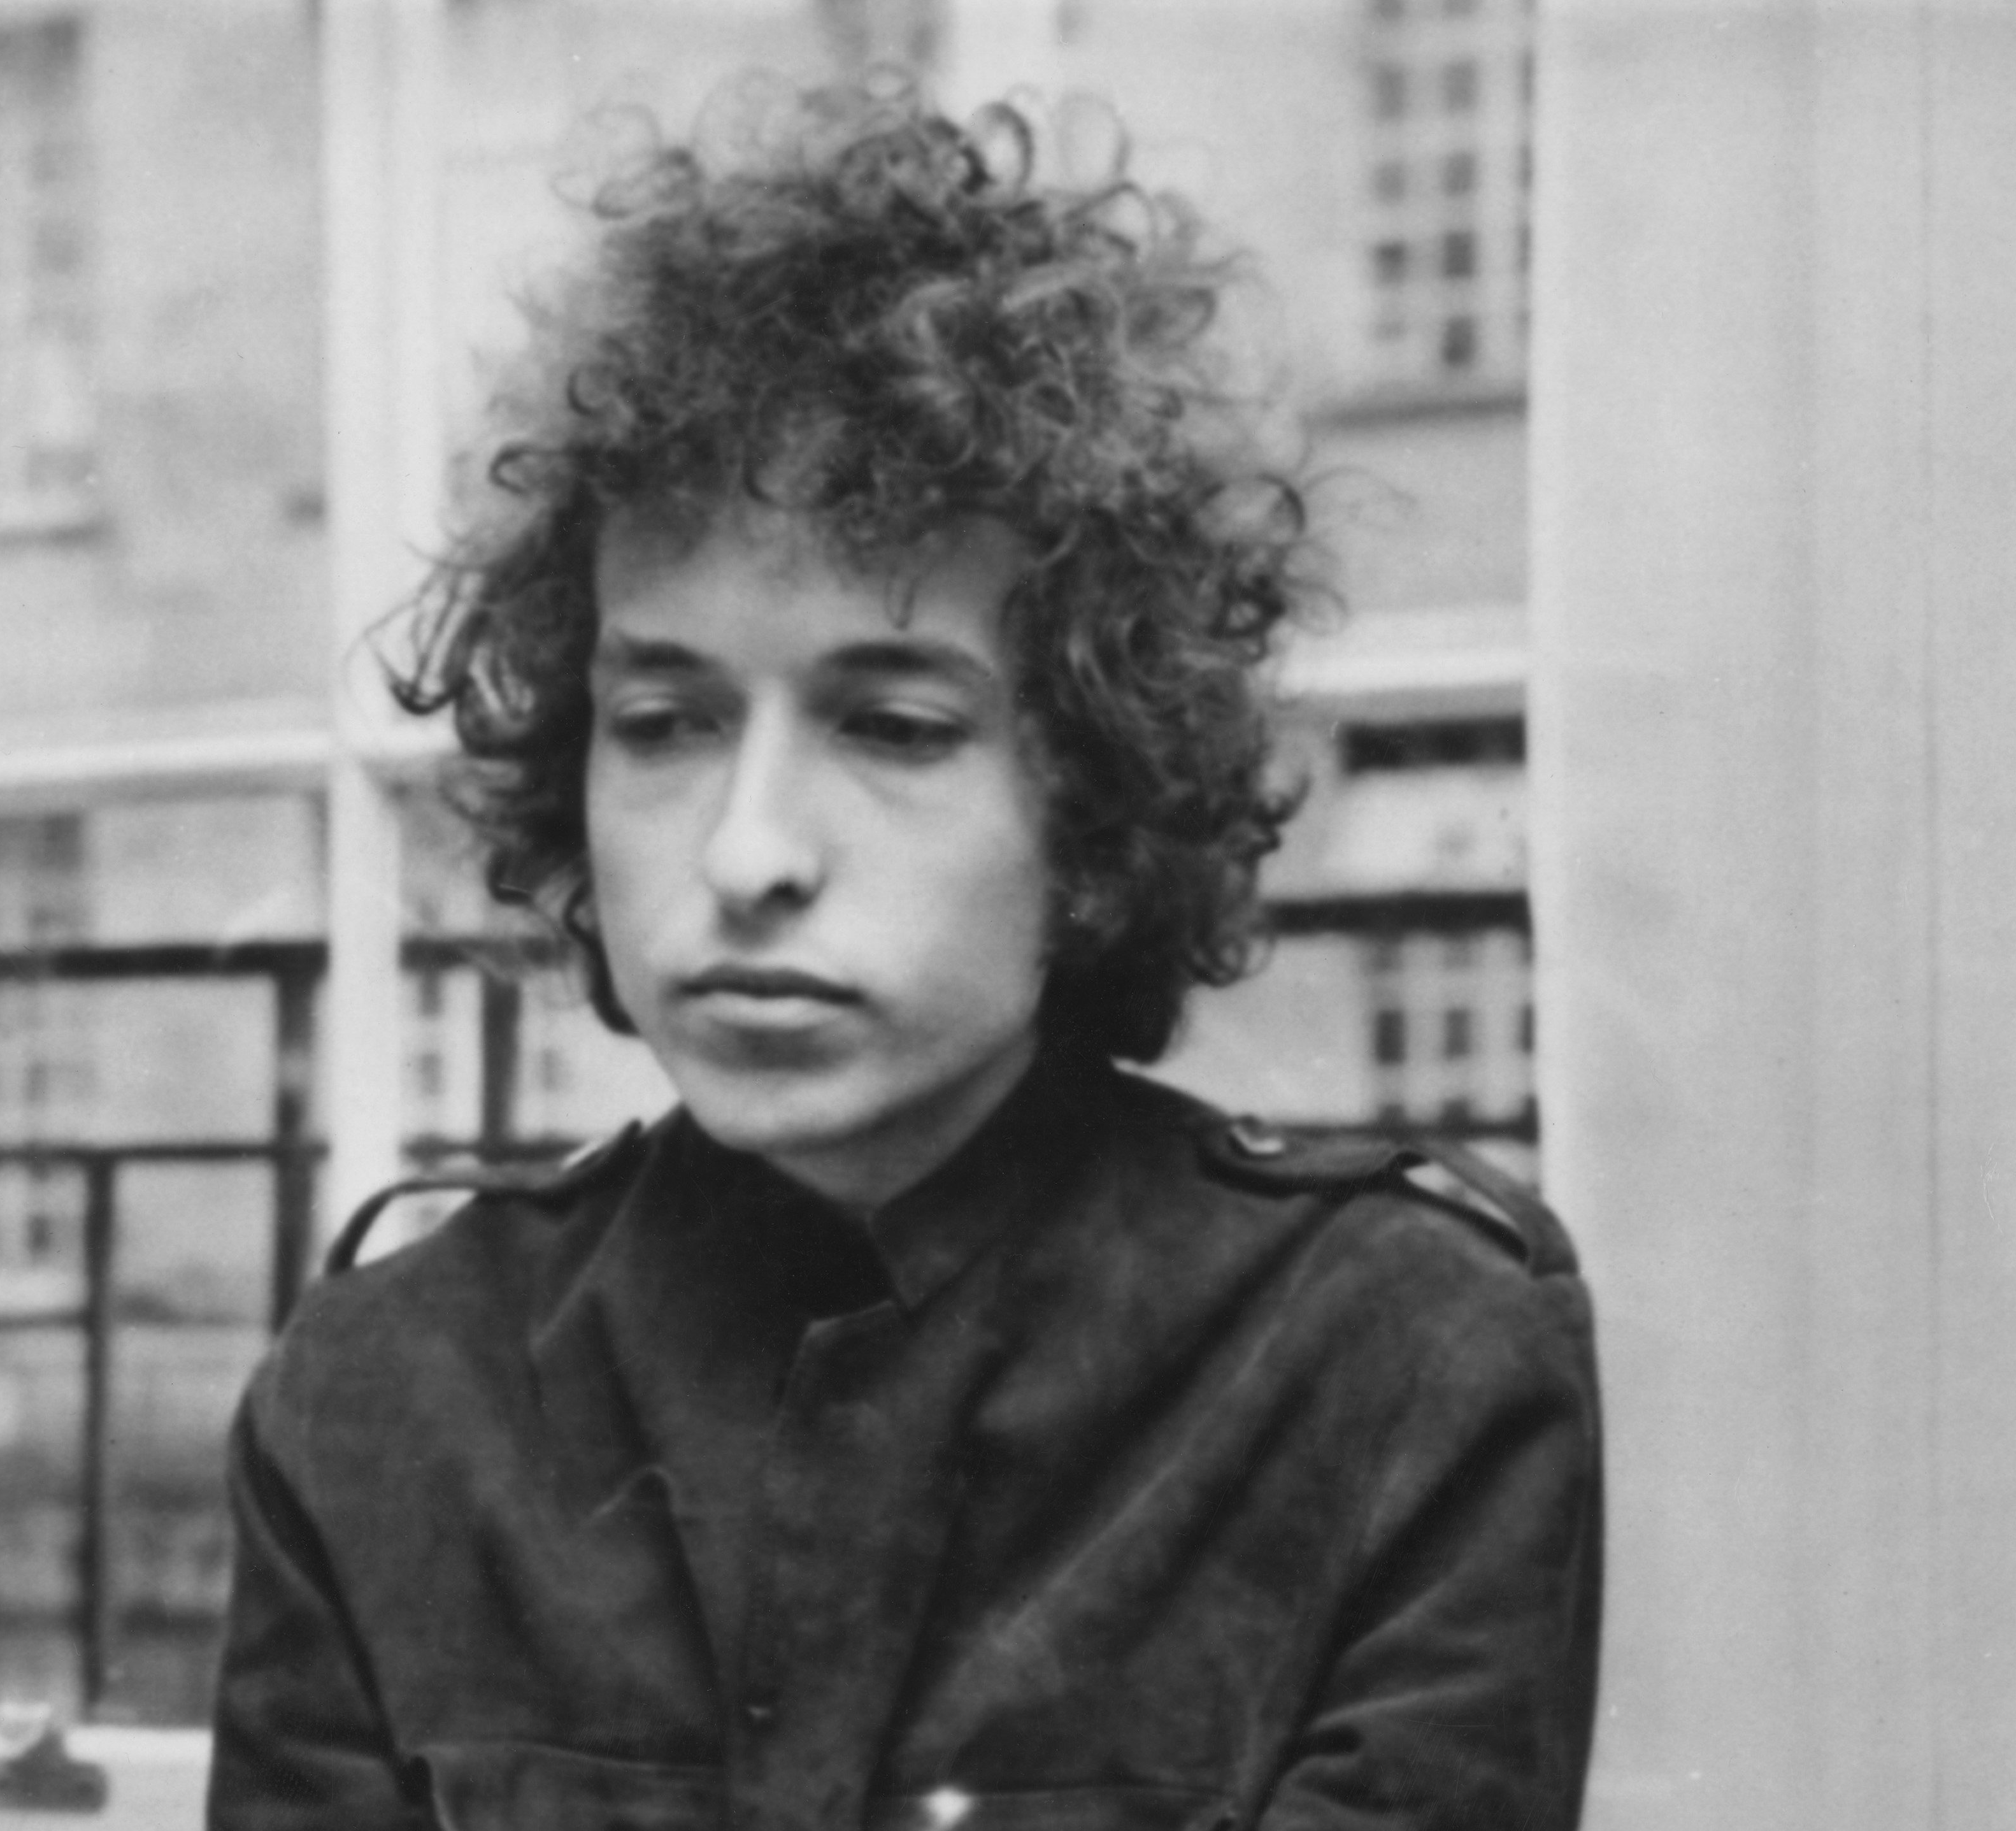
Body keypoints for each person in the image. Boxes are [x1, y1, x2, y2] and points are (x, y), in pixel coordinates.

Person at [209, 80, 1601, 1831]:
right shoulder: (386, 1400)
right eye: (663, 717)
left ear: (1090, 797)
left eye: (891, 723)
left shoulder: (1400, 1366)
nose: (747, 850)